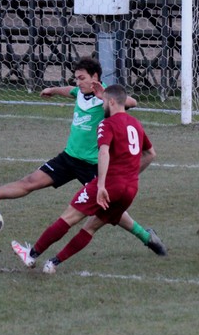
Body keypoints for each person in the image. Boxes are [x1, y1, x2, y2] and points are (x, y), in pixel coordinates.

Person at [0, 56, 166, 256]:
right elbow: (70, 90)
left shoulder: (106, 98)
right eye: (76, 78)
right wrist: (53, 90)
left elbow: (132, 101)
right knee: (29, 182)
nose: (78, 82)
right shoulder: (80, 92)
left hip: (93, 166)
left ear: (95, 77)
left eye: (82, 78)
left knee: (109, 211)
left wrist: (102, 95)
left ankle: (147, 237)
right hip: (68, 158)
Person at [11, 84, 156, 273]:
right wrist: (131, 174)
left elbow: (103, 153)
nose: (102, 105)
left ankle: (31, 255)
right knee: (91, 227)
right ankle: (53, 263)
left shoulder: (107, 123)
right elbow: (151, 154)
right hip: (130, 189)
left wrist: (101, 185)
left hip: (110, 184)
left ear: (112, 102)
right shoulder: (136, 124)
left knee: (68, 218)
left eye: (104, 102)